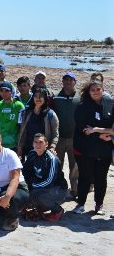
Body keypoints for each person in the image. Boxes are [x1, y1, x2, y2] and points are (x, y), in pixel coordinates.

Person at [72, 80, 112, 215]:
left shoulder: (109, 106)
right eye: (92, 90)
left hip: (105, 150)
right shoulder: (82, 106)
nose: (96, 92)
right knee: (85, 177)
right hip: (86, 150)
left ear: (103, 90)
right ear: (88, 92)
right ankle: (81, 204)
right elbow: (83, 128)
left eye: (98, 89)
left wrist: (104, 134)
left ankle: (98, 205)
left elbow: (112, 128)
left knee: (101, 178)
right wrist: (100, 134)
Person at [23, 133, 67, 221]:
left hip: (58, 189)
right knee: (26, 193)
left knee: (37, 196)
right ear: (33, 144)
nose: (38, 145)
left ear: (46, 144)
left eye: (41, 142)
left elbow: (49, 181)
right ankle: (39, 210)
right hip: (42, 187)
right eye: (36, 142)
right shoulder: (32, 154)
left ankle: (58, 210)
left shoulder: (51, 159)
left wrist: (31, 187)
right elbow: (25, 172)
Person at [52, 71, 79, 199]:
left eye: (70, 80)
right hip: (60, 139)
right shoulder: (56, 98)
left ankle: (75, 190)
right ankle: (59, 189)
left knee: (75, 166)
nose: (68, 82)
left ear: (75, 82)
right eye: (66, 80)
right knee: (58, 165)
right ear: (62, 82)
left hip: (75, 138)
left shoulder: (80, 98)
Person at [17, 88, 59, 161]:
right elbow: (22, 132)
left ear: (45, 98)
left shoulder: (51, 114)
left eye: (41, 96)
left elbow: (55, 134)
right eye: (36, 96)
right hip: (28, 150)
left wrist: (52, 147)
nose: (38, 98)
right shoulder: (26, 113)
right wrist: (20, 148)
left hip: (44, 151)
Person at [0, 81, 26, 151]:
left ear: (11, 92)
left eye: (7, 91)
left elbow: (22, 127)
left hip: (14, 144)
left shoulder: (19, 106)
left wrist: (20, 145)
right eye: (2, 91)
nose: (4, 93)